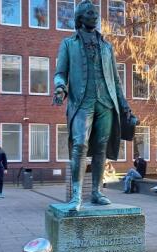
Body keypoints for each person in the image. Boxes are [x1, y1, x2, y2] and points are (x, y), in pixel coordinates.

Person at [52, 0, 135, 211]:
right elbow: (60, 73)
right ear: (80, 18)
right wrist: (60, 87)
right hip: (82, 102)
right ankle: (77, 195)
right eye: (90, 13)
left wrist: (124, 105)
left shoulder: (107, 47)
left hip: (106, 103)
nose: (95, 16)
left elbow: (115, 80)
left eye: (95, 13)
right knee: (80, 144)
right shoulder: (69, 44)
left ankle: (97, 192)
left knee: (100, 148)